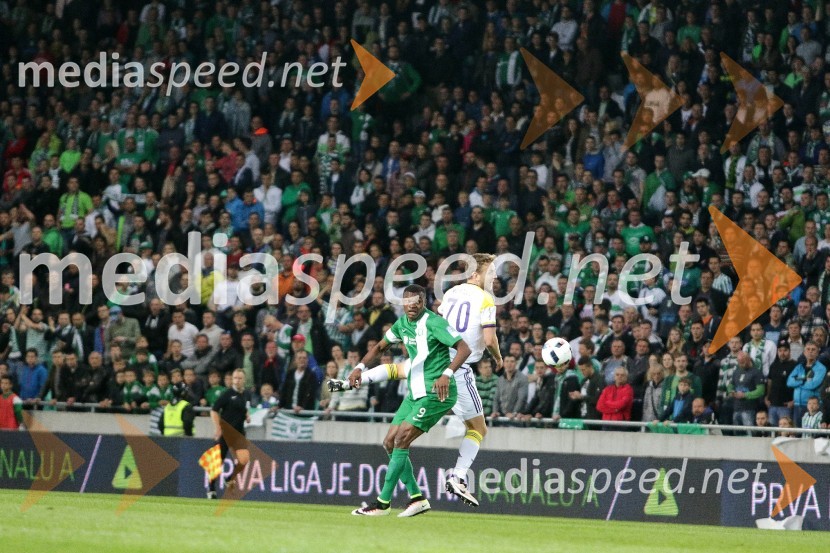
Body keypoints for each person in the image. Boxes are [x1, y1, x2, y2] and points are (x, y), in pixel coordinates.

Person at [335, 253, 501, 506]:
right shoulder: (487, 299)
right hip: (457, 366)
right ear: (476, 275)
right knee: (478, 429)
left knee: (399, 373)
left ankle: (349, 382)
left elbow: (440, 321)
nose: (495, 277)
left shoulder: (451, 293)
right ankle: (457, 476)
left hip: (433, 357)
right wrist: (498, 358)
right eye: (491, 272)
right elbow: (489, 339)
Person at [350, 284, 471, 517]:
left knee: (402, 438)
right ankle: (417, 498)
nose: (412, 306)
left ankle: (382, 503)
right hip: (415, 393)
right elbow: (380, 346)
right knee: (389, 442)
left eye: (416, 302)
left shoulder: (434, 323)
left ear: (423, 302)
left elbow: (464, 348)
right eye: (407, 302)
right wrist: (359, 367)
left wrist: (447, 374)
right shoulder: (402, 323)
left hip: (437, 393)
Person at [207, 369, 252, 499]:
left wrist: (247, 415)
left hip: (238, 433)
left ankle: (229, 478)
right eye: (235, 378)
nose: (237, 381)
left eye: (240, 378)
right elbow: (214, 411)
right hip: (226, 432)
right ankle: (211, 488)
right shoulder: (227, 394)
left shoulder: (246, 395)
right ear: (232, 380)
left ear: (244, 380)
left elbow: (244, 408)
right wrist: (218, 428)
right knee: (218, 462)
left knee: (244, 460)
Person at [787, 342, 827, 425]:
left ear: (817, 353)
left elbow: (813, 385)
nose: (810, 351)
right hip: (797, 405)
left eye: (813, 349)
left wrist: (797, 382)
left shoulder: (821, 368)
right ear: (804, 352)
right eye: (808, 349)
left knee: (812, 430)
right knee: (797, 431)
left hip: (813, 406)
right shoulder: (799, 367)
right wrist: (803, 380)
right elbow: (789, 382)